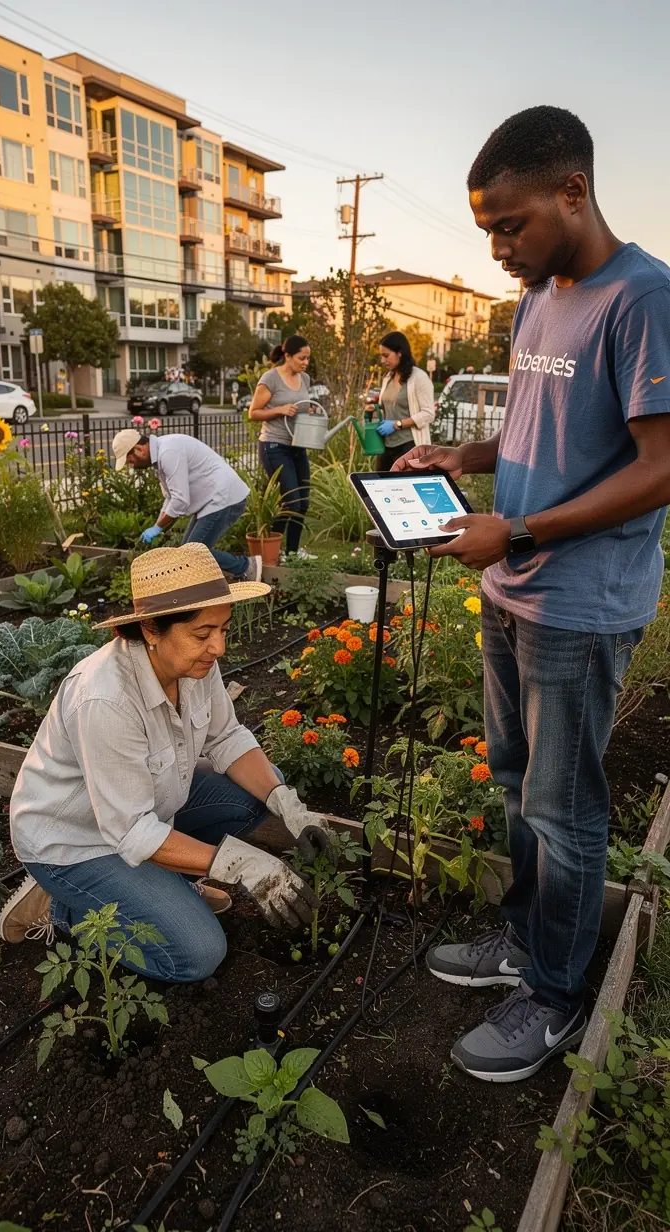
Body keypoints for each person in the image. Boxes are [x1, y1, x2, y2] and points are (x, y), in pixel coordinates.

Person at [393, 105, 670, 1083]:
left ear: (572, 190)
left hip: (580, 604)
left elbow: (659, 466)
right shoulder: (538, 298)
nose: (499, 248)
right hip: (513, 589)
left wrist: (512, 530)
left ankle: (554, 993)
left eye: (509, 225)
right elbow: (532, 427)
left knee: (566, 808)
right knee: (518, 782)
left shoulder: (643, 297)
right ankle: (525, 942)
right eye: (486, 231)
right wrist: (457, 455)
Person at [0, 543, 335, 983]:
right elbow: (130, 830)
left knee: (258, 796)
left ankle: (166, 884)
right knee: (198, 954)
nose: (218, 646)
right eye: (202, 633)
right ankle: (63, 905)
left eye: (223, 629)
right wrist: (246, 865)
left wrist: (290, 807)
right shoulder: (105, 698)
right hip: (76, 841)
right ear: (152, 630)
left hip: (145, 809)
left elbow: (228, 737)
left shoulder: (194, 665)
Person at [111, 429, 262, 583]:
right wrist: (158, 525)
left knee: (192, 554)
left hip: (224, 498)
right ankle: (212, 581)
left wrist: (158, 527)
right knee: (187, 553)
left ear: (139, 449)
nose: (131, 466)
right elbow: (171, 497)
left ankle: (245, 567)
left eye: (129, 460)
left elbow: (180, 500)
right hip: (211, 500)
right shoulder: (162, 454)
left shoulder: (168, 452)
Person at [249, 334, 317, 559]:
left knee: (303, 502)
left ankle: (293, 552)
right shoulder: (271, 379)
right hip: (274, 446)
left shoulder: (305, 379)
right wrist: (279, 410)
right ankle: (274, 550)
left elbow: (303, 407)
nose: (305, 363)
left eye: (307, 359)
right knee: (291, 501)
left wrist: (310, 412)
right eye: (301, 358)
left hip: (298, 445)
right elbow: (254, 413)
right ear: (287, 356)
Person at [374, 330, 437, 472]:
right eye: (381, 356)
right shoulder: (388, 377)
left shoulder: (418, 377)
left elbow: (428, 414)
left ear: (400, 353)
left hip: (408, 445)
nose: (383, 360)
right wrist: (374, 407)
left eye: (386, 356)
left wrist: (398, 424)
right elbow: (387, 406)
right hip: (386, 445)